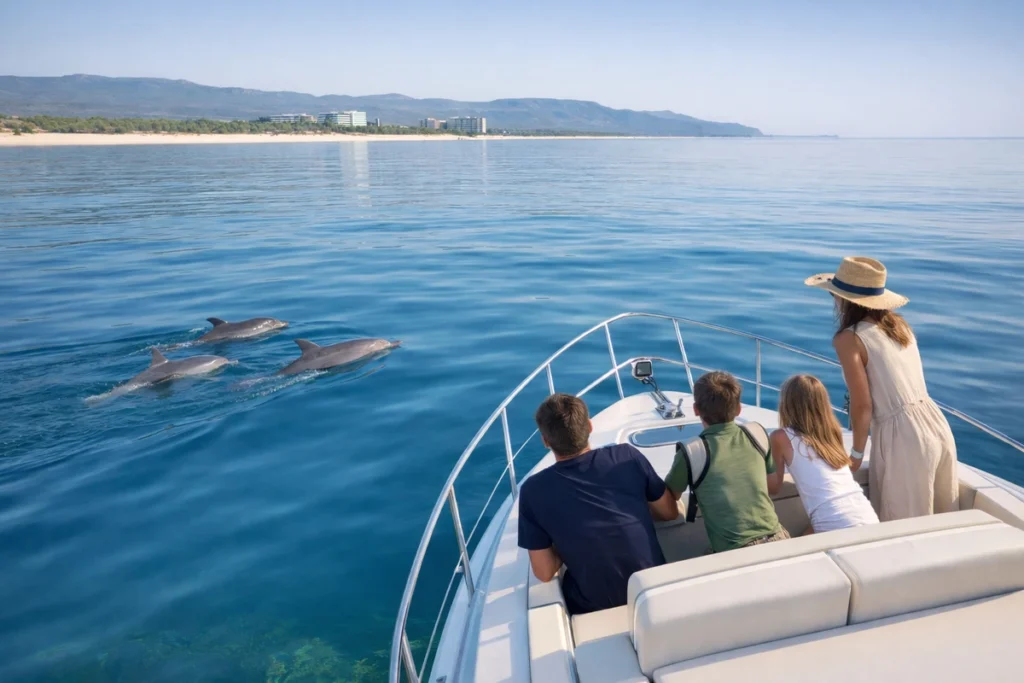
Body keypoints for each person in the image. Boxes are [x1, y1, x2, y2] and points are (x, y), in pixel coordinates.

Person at [806, 256, 958, 520]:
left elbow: (862, 404)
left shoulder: (849, 338)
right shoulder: (900, 326)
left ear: (845, 299)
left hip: (904, 438)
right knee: (940, 522)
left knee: (901, 527)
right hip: (936, 425)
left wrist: (855, 454)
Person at [518, 393, 679, 615]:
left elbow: (544, 572)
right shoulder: (627, 456)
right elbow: (670, 512)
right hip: (654, 590)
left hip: (593, 607)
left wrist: (566, 535)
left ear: (545, 441)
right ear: (590, 427)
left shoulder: (532, 491)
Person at [665, 371, 790, 553]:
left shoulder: (690, 452)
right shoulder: (757, 433)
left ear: (695, 410)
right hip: (779, 538)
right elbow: (773, 486)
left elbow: (669, 502)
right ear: (739, 409)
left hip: (734, 552)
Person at [767, 374, 879, 533]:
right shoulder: (833, 433)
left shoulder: (780, 437)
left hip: (833, 526)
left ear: (787, 405)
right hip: (867, 517)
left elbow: (774, 487)